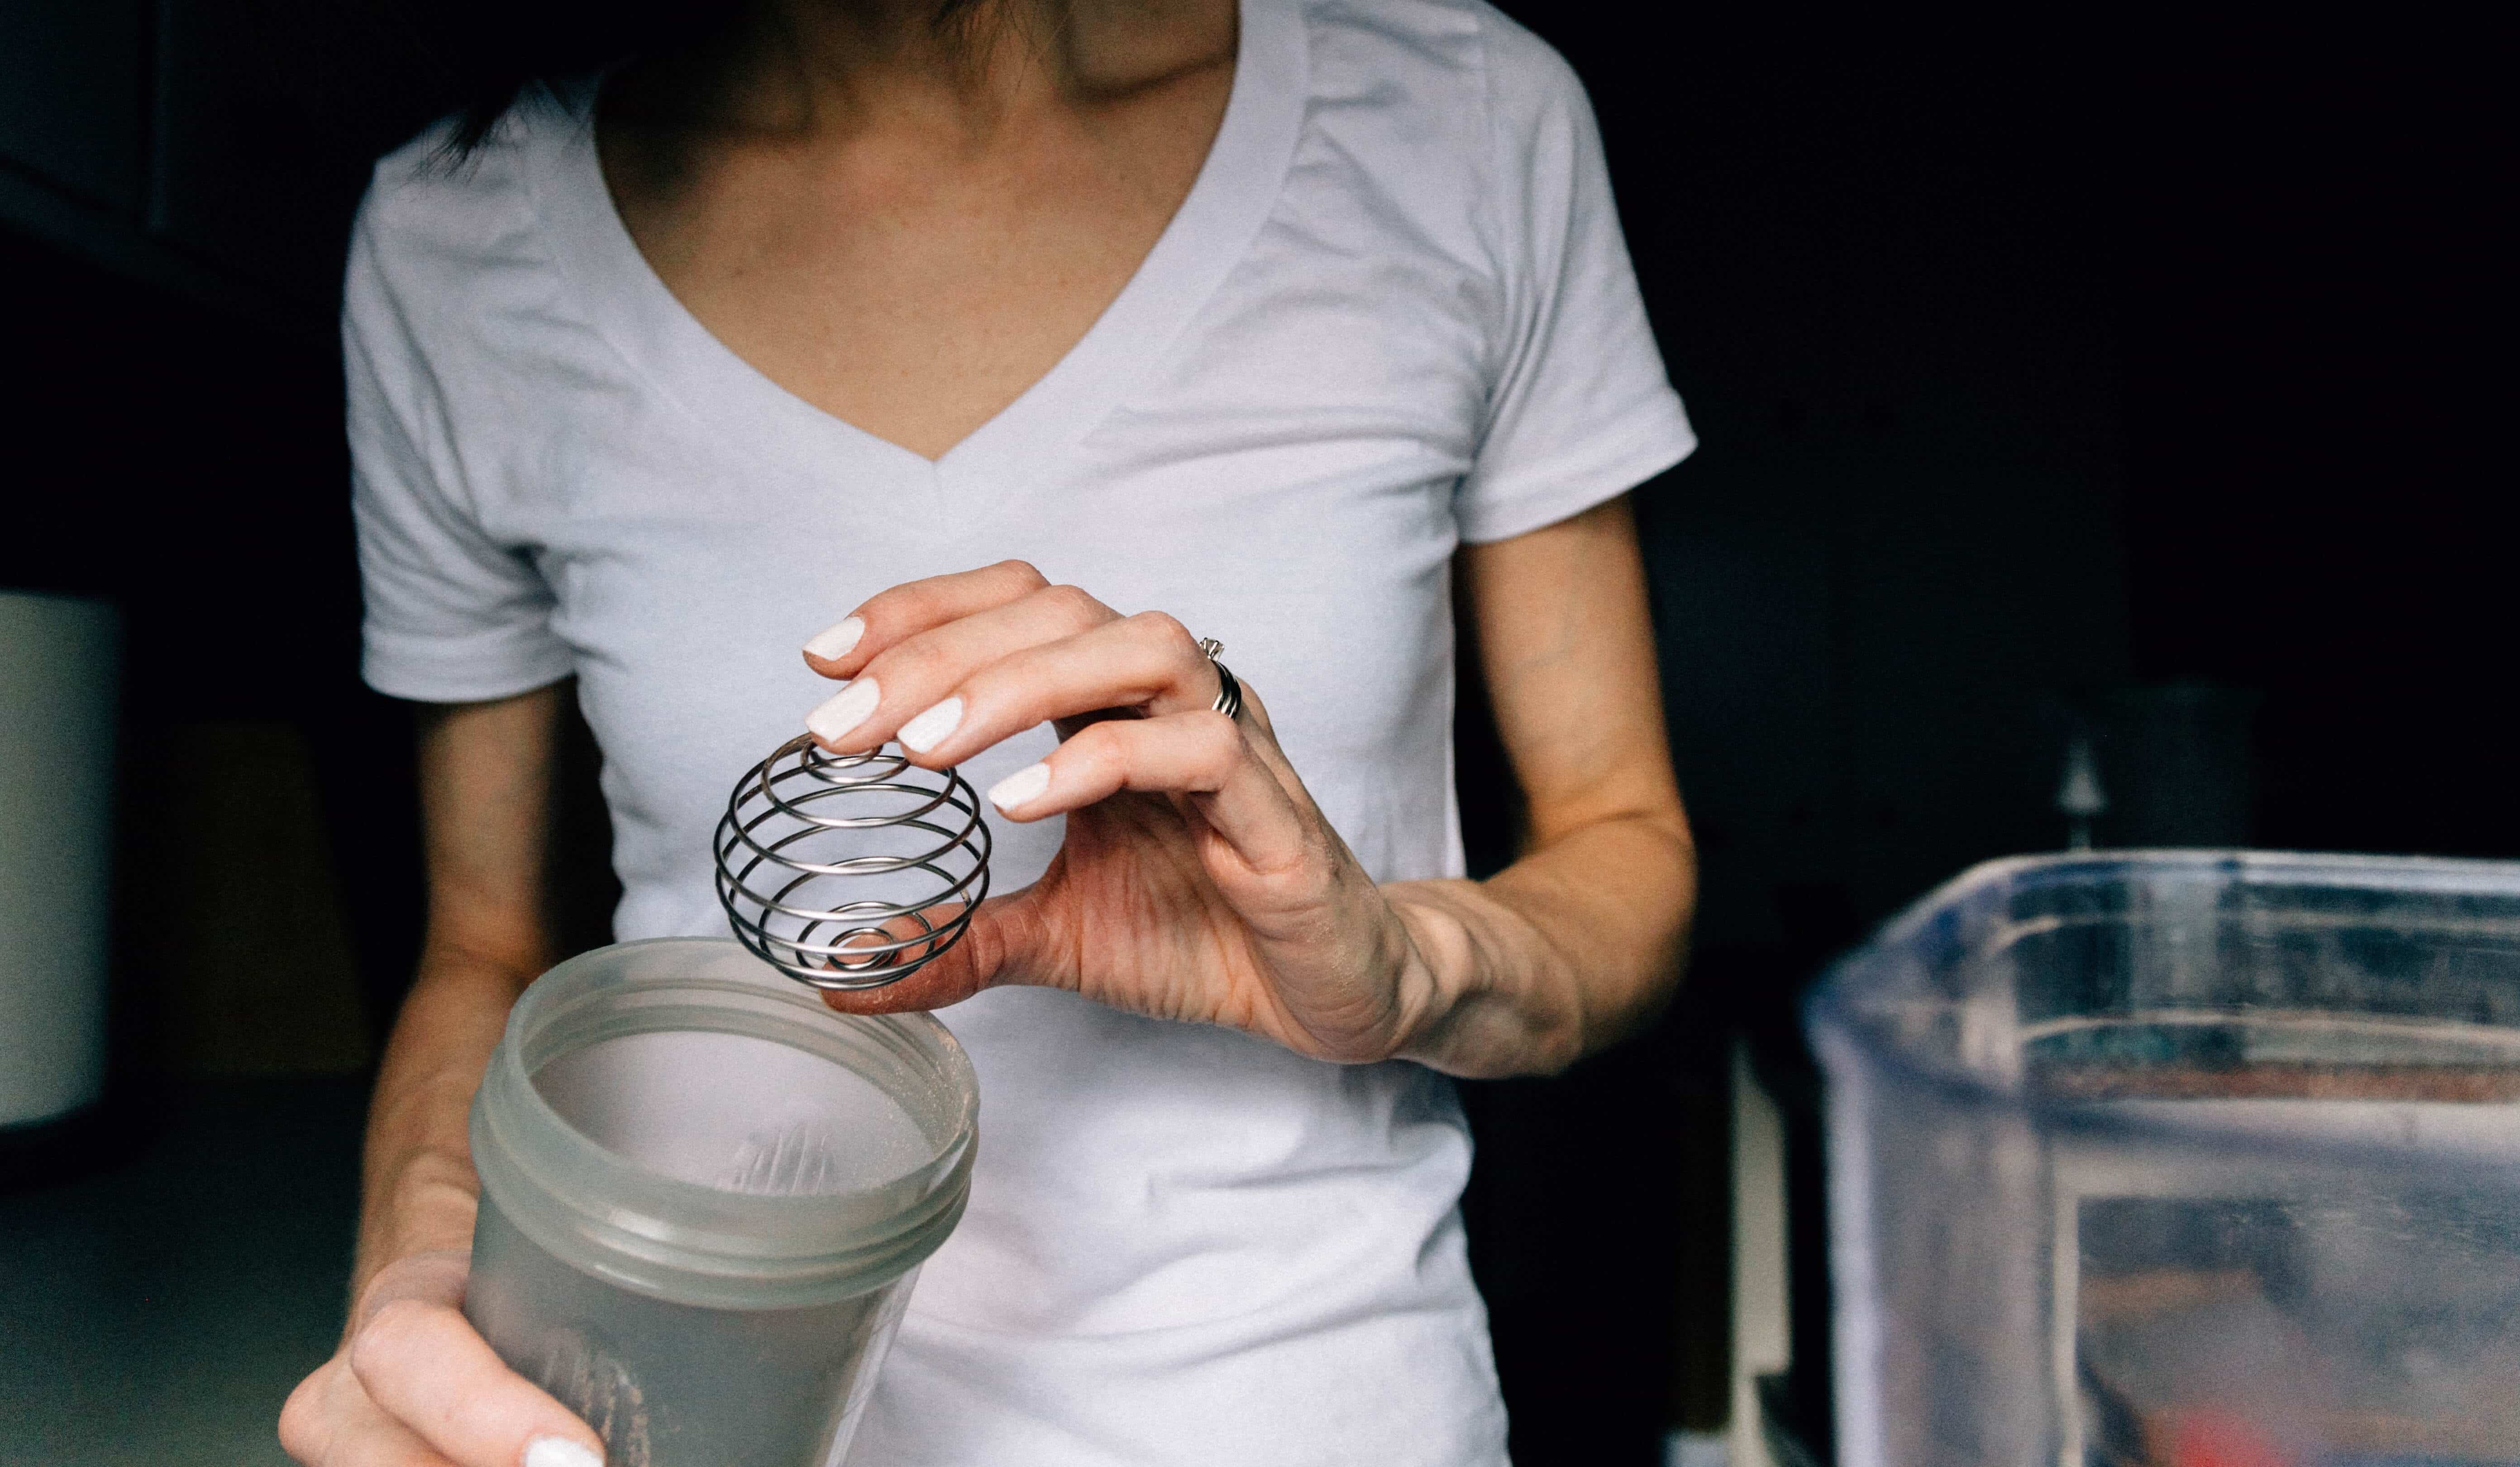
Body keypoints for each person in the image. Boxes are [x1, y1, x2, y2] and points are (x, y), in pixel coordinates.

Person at [280, 0, 1697, 1461]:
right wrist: (425, 1282)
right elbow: (483, 947)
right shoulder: (462, 236)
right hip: (700, 1410)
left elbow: (1624, 844)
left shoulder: (1460, 117)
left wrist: (1405, 962)